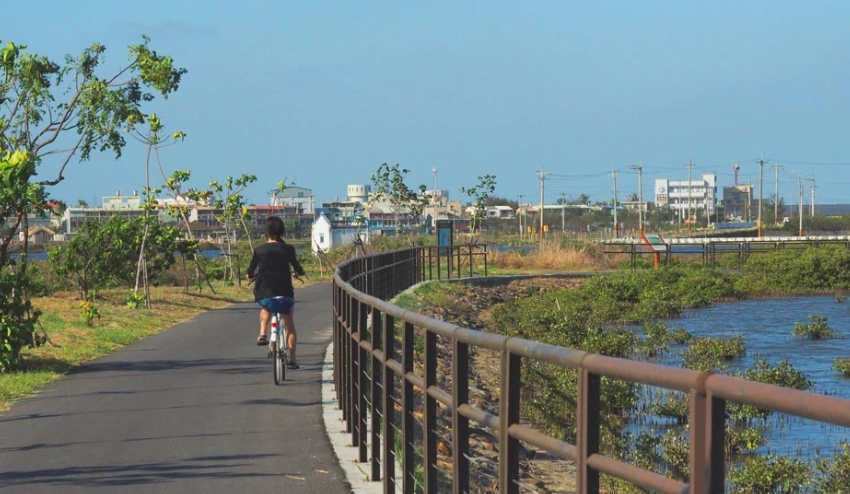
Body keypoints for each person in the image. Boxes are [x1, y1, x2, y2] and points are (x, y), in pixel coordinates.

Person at [246, 216, 306, 369]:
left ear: (265, 232)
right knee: (289, 325)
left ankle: (263, 334)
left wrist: (250, 275)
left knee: (266, 307)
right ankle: (292, 360)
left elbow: (250, 270)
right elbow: (296, 266)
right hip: (285, 294)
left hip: (264, 293)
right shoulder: (288, 249)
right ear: (282, 232)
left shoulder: (259, 250)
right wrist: (299, 272)